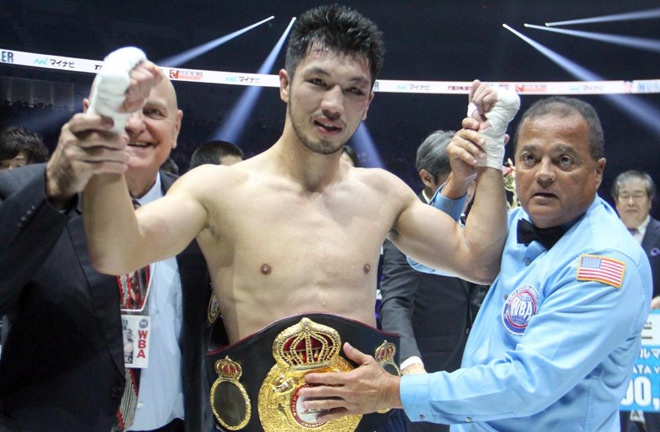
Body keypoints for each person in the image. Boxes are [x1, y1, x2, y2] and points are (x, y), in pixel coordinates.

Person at [81, 5, 516, 432]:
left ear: (368, 102)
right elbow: (118, 252)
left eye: (353, 90)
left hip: (368, 422)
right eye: (318, 81)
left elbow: (478, 261)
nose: (333, 104)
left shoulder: (382, 193)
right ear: (285, 83)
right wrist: (104, 128)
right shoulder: (217, 189)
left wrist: (492, 153)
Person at [299, 96, 653, 432]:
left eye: (564, 161)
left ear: (597, 172)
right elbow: (427, 262)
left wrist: (392, 391)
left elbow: (526, 384)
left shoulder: (605, 265)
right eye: (530, 159)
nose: (543, 174)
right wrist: (460, 180)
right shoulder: (518, 224)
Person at [0, 64, 213, 431]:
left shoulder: (200, 209)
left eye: (153, 112)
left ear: (176, 128)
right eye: (120, 111)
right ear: (89, 115)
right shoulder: (26, 192)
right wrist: (55, 187)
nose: (133, 126)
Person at [379, 130, 487, 432]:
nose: (470, 187)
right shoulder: (407, 228)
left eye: (474, 178)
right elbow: (396, 301)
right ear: (427, 178)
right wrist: (410, 362)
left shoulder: (484, 219)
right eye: (460, 178)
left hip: (480, 372)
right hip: (430, 373)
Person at [612, 170, 660, 432]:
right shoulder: (603, 238)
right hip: (615, 339)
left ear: (650, 200)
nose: (631, 202)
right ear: (616, 202)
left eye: (638, 195)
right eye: (625, 196)